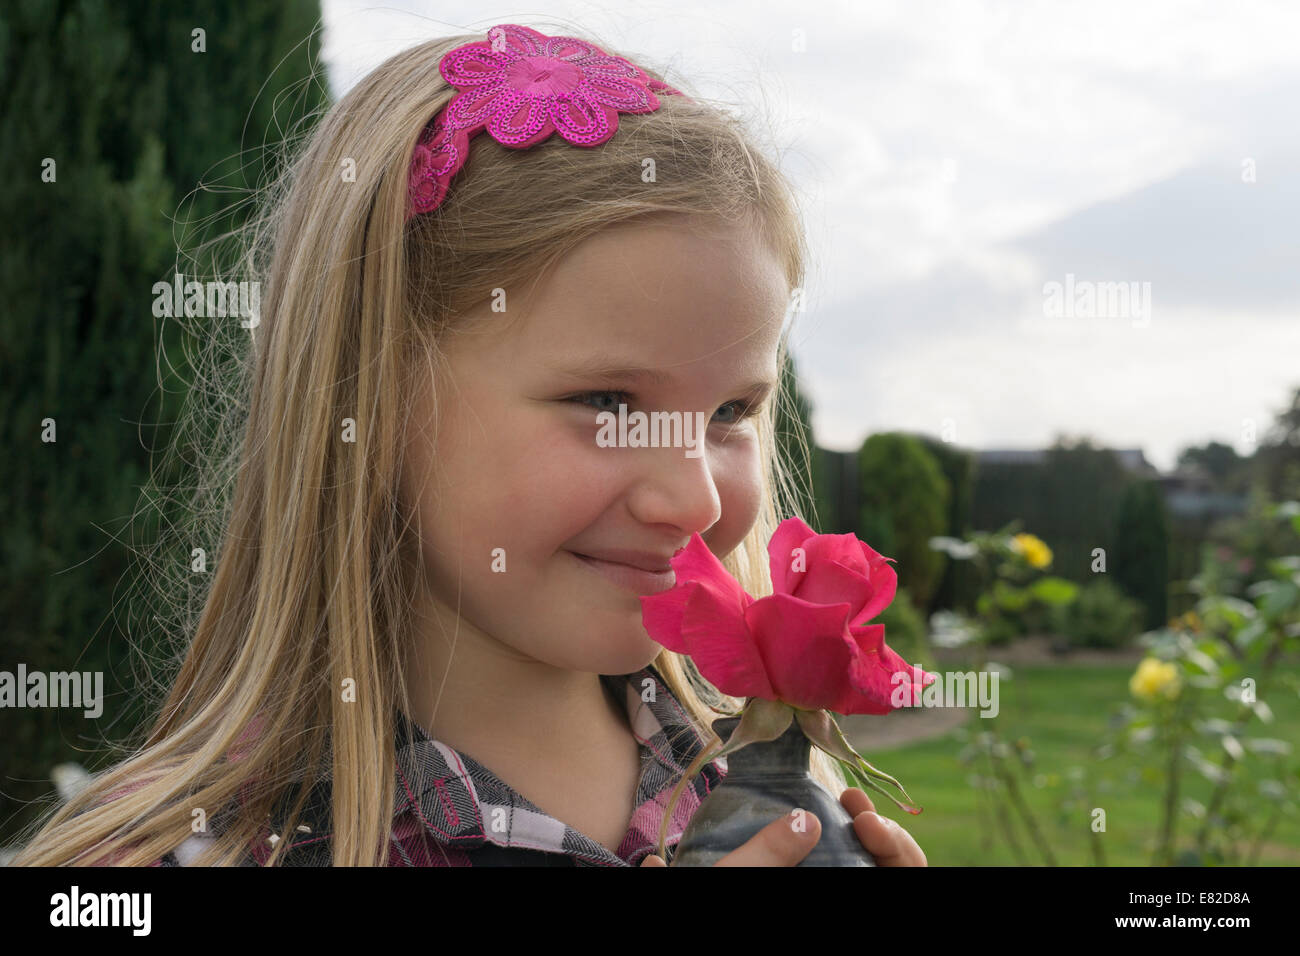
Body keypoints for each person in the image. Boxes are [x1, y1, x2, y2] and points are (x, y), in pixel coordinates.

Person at [12, 22, 926, 867]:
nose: (692, 500)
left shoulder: (761, 807)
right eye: (608, 402)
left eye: (731, 412)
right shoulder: (180, 856)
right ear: (370, 399)